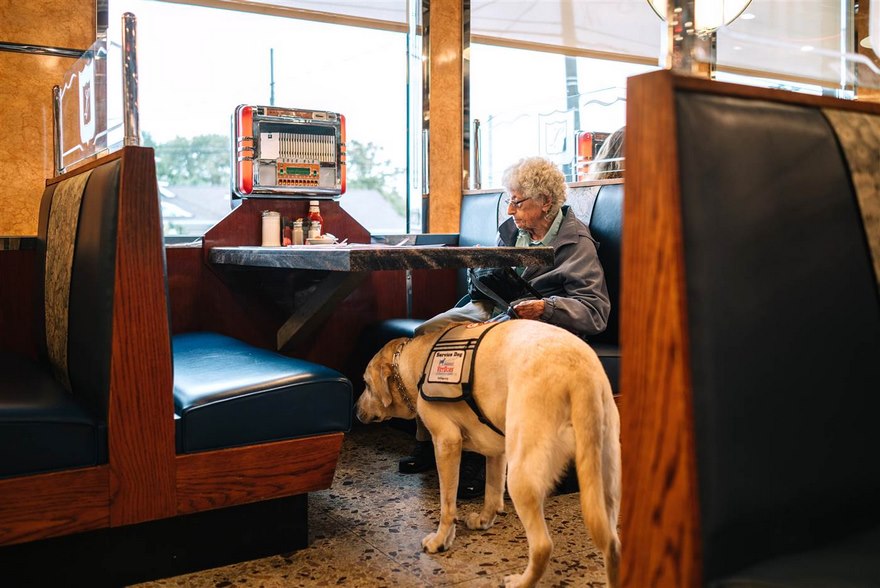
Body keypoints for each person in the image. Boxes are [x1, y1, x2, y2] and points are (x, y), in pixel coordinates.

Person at [399, 156, 611, 498]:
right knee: (430, 335)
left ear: (546, 202)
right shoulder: (513, 231)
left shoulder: (576, 244)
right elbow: (492, 280)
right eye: (508, 200)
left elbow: (595, 310)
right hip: (494, 307)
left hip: (537, 323)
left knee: (476, 354)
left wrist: (547, 307)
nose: (510, 210)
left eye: (517, 201)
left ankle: (474, 456)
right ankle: (432, 438)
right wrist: (481, 273)